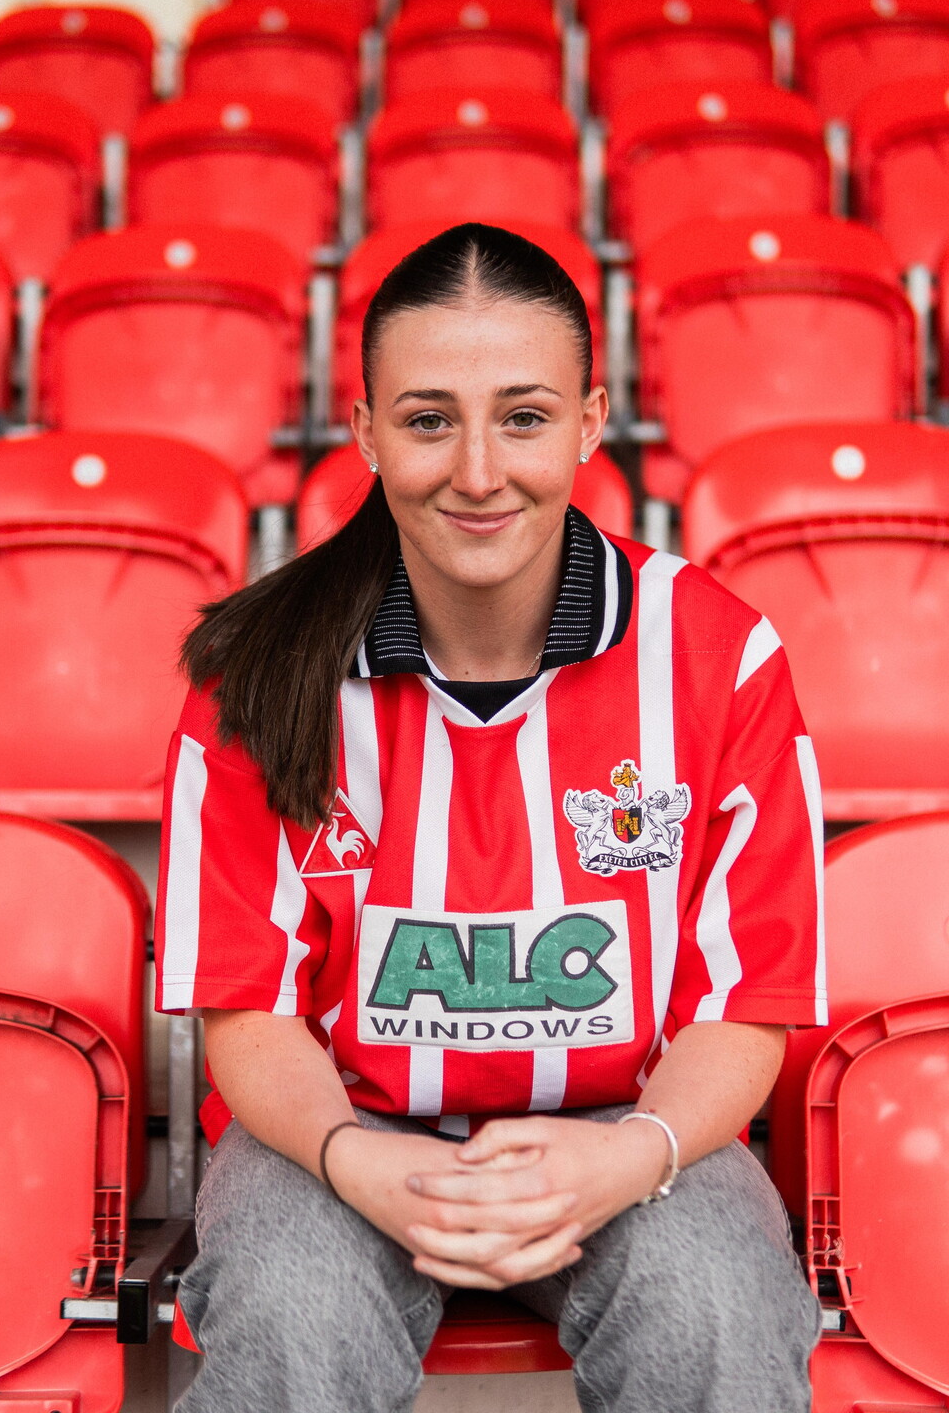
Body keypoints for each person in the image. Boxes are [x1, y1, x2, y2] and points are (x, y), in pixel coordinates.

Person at [155, 223, 826, 1413]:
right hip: (338, 1134)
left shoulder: (719, 655)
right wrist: (355, 1159)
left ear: (591, 422)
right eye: (427, 421)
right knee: (292, 1303)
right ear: (365, 432)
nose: (477, 471)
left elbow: (748, 1002)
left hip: (633, 1125)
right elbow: (248, 1009)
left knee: (714, 1297)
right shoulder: (257, 672)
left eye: (523, 417)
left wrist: (633, 1153)